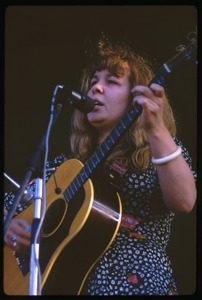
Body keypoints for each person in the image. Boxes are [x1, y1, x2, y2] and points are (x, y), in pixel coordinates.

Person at [4, 34, 197, 296]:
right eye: (93, 82)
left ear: (136, 96)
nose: (95, 88)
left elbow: (184, 201)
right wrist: (10, 227)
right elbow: (13, 202)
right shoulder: (65, 168)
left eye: (112, 81)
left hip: (138, 284)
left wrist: (157, 129)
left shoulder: (156, 153)